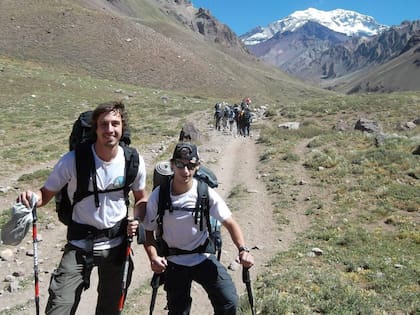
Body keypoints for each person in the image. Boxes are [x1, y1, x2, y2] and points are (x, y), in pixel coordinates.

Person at [17, 101, 147, 315]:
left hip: (117, 245)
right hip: (79, 246)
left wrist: (137, 218)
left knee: (110, 309)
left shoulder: (133, 161)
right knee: (59, 307)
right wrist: (32, 197)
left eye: (115, 123)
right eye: (104, 124)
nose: (110, 130)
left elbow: (141, 199)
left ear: (123, 127)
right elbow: (45, 195)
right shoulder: (73, 160)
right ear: (95, 128)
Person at [142, 142, 254, 314]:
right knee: (178, 311)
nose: (185, 171)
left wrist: (243, 249)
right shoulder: (159, 195)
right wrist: (153, 257)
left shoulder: (204, 192)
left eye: (190, 165)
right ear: (172, 165)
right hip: (173, 262)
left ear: (197, 166)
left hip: (202, 257)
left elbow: (230, 222)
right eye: (180, 164)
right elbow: (148, 232)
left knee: (228, 301)